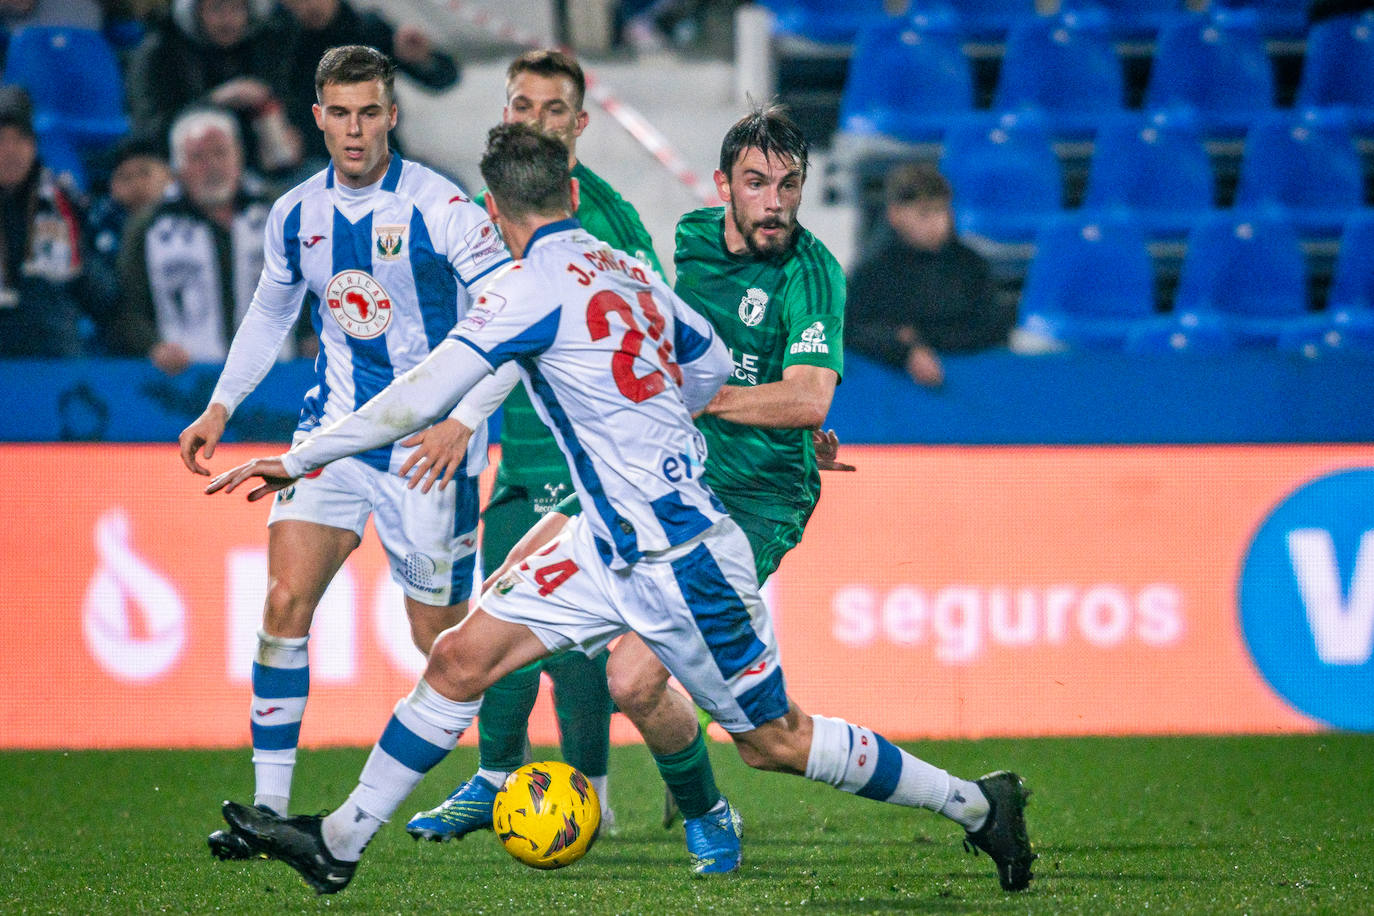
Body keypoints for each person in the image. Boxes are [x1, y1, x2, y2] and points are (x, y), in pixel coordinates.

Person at [205, 121, 1036, 897]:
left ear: (492, 213)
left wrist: (302, 454)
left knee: (772, 740)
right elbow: (705, 363)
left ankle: (975, 803)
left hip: (684, 561)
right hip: (607, 542)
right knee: (460, 660)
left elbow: (420, 395)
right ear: (571, 196)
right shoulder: (627, 268)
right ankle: (340, 842)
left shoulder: (525, 290)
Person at [177, 44, 511, 862]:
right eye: (341, 113)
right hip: (331, 438)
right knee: (286, 602)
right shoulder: (296, 214)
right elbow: (267, 313)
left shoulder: (443, 207)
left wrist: (463, 420)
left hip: (429, 453)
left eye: (371, 112)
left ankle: (503, 772)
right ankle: (266, 812)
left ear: (392, 115)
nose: (356, 130)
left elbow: (510, 318)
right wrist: (221, 405)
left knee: (442, 646)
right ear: (318, 117)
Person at [404, 48, 663, 846]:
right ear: (504, 111)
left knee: (562, 636)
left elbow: (646, 330)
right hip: (517, 446)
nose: (536, 121)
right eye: (523, 106)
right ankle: (512, 781)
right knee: (503, 616)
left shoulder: (605, 213)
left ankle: (583, 789)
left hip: (580, 451)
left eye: (554, 110)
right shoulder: (478, 211)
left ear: (579, 124)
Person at [113, 108, 284, 373]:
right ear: (178, 169)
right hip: (187, 382)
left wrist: (311, 335)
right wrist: (154, 346)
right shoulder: (148, 227)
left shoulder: (281, 212)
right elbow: (128, 307)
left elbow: (316, 283)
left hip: (280, 375)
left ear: (238, 156)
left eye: (220, 153)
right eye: (198, 158)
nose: (212, 166)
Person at [845, 163, 1012, 388]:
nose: (938, 223)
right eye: (924, 213)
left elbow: (992, 325)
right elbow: (850, 328)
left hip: (973, 389)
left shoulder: (970, 266)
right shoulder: (873, 271)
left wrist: (920, 338)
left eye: (942, 210)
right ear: (895, 215)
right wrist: (902, 351)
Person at [273, 0, 459, 169]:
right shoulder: (274, 42)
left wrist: (422, 59)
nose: (311, 6)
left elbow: (442, 79)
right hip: (310, 161)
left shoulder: (368, 29)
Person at [124, 0, 302, 176]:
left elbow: (294, 105)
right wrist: (213, 102)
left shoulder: (266, 45)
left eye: (236, 8)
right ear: (195, 12)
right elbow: (150, 132)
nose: (227, 19)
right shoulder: (159, 52)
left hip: (261, 170)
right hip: (181, 172)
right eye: (217, 8)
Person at [0, 84, 86, 357]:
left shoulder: (62, 201)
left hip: (49, 345)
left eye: (20, 140)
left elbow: (90, 282)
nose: (11, 151)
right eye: (1, 140)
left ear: (34, 145)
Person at [84, 135, 174, 352]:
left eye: (145, 172)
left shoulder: (194, 222)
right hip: (119, 336)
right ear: (112, 187)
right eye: (124, 177)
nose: (136, 184)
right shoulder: (96, 227)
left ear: (171, 178)